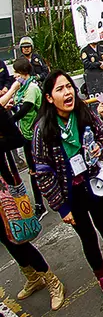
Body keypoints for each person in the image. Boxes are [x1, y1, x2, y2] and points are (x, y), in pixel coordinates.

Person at [34, 72, 103, 305]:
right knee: (88, 236)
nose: (68, 92)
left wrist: (98, 151)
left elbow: (102, 139)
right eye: (60, 89)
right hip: (70, 193)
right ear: (49, 98)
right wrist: (61, 208)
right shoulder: (42, 129)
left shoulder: (84, 113)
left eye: (69, 87)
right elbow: (42, 173)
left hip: (93, 183)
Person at [0, 104, 64, 311]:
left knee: (18, 238)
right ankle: (33, 278)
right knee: (5, 240)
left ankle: (52, 281)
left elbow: (16, 139)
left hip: (3, 189)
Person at [1, 58, 45, 217]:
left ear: (23, 73)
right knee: (33, 171)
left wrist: (8, 121)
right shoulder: (22, 89)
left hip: (36, 134)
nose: (14, 76)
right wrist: (11, 106)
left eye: (16, 73)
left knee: (41, 168)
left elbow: (26, 109)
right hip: (26, 133)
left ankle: (42, 203)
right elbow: (18, 106)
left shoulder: (31, 88)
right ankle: (39, 204)